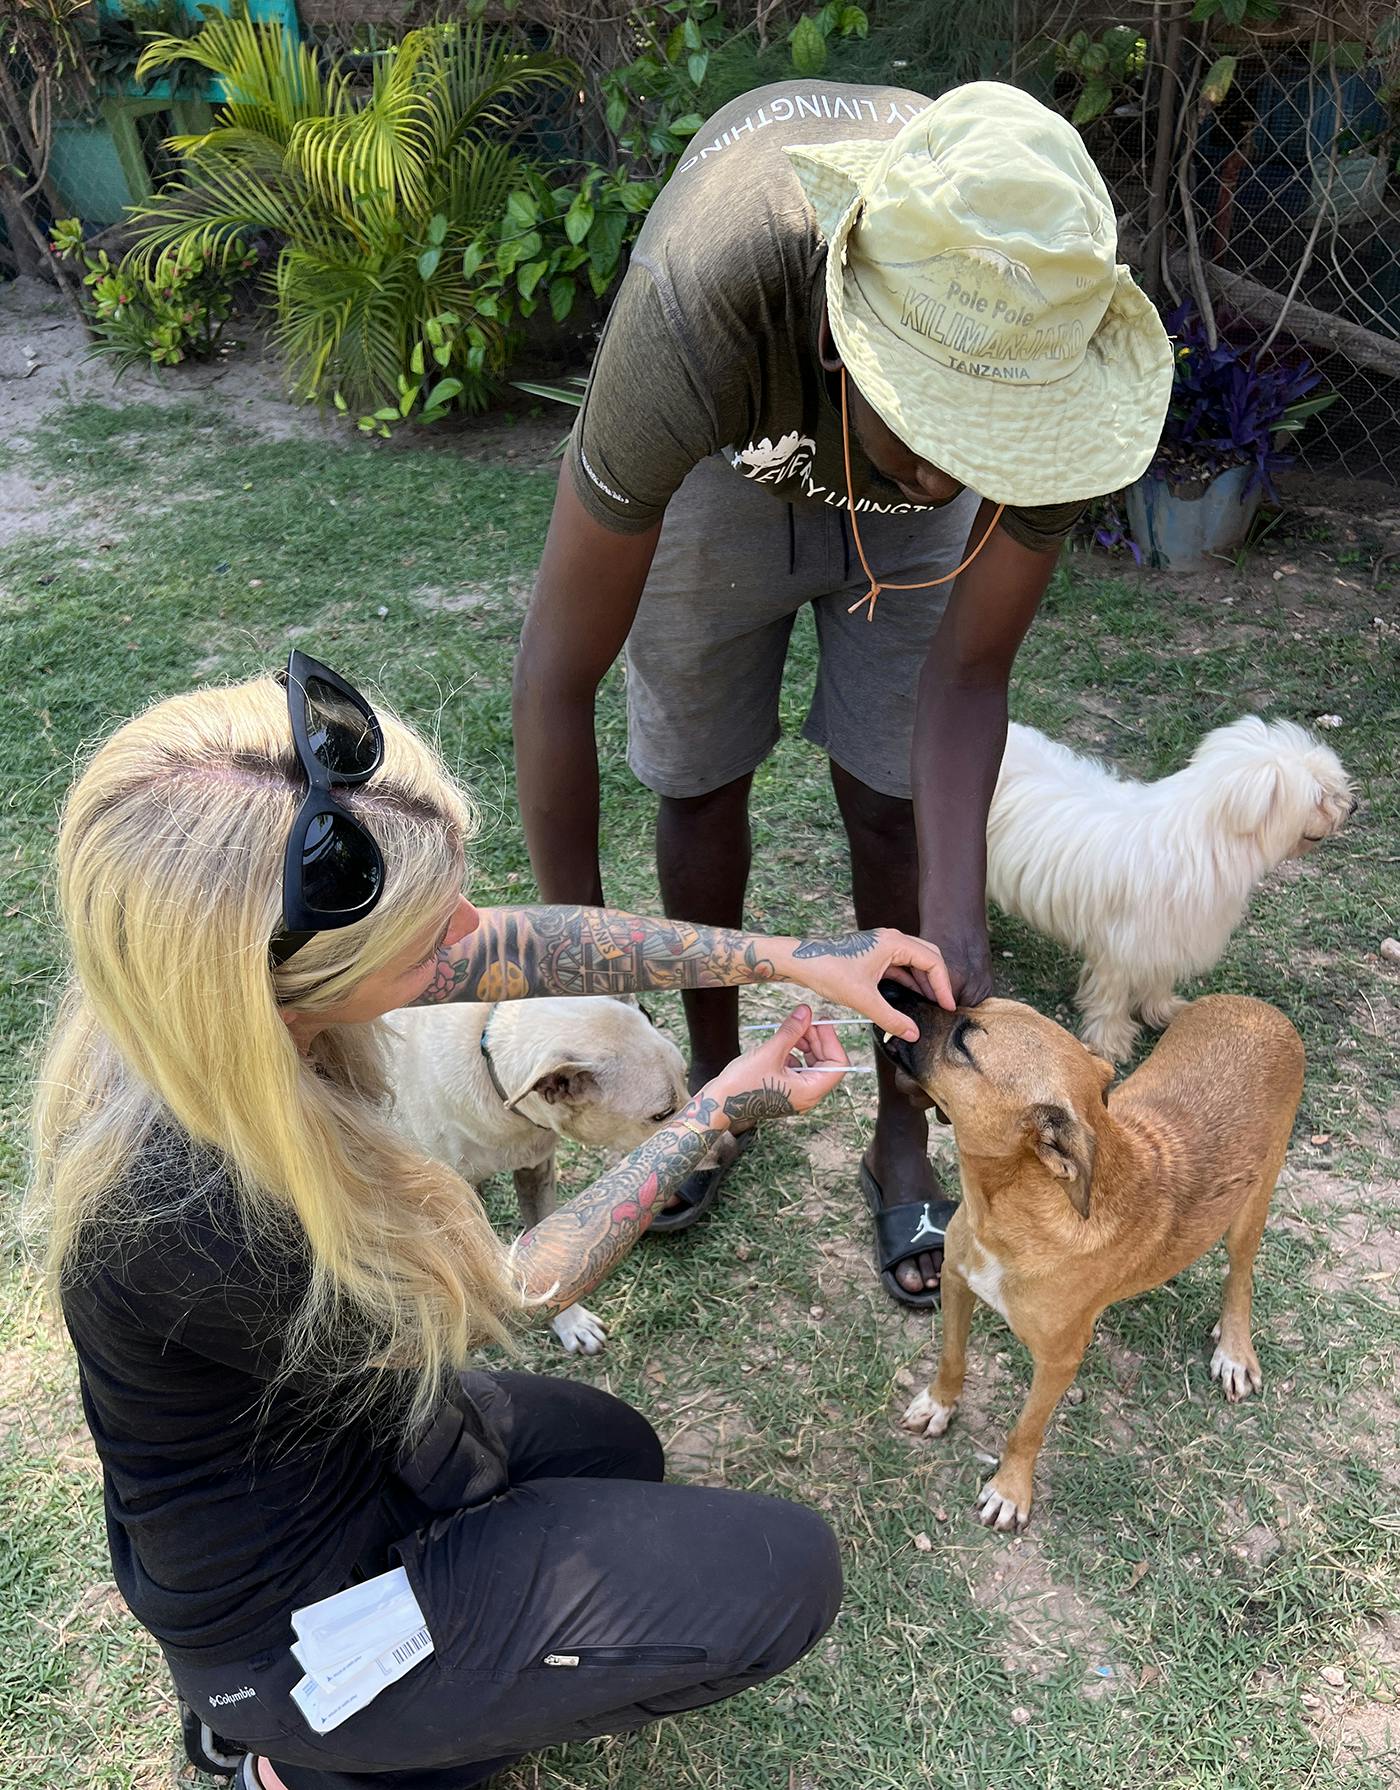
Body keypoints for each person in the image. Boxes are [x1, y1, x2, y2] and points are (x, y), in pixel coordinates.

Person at [28, 653, 953, 1790]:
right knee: (784, 1569)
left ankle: (389, 1694)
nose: (467, 940)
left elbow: (521, 945)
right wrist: (713, 1109)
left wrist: (789, 958)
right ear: (290, 984)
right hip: (280, 1609)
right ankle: (294, 1758)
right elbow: (513, 1285)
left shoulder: (194, 989)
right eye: (427, 940)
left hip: (354, 1433)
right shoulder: (198, 1207)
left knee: (620, 1453)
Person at [512, 77, 1173, 1305]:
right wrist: (582, 967)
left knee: (892, 806)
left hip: (876, 426)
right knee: (697, 780)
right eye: (933, 426)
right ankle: (714, 1091)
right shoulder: (699, 305)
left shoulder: (1041, 361)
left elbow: (968, 671)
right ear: (838, 332)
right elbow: (557, 674)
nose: (948, 475)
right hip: (727, 462)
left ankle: (897, 1136)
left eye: (984, 441)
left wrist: (959, 922)